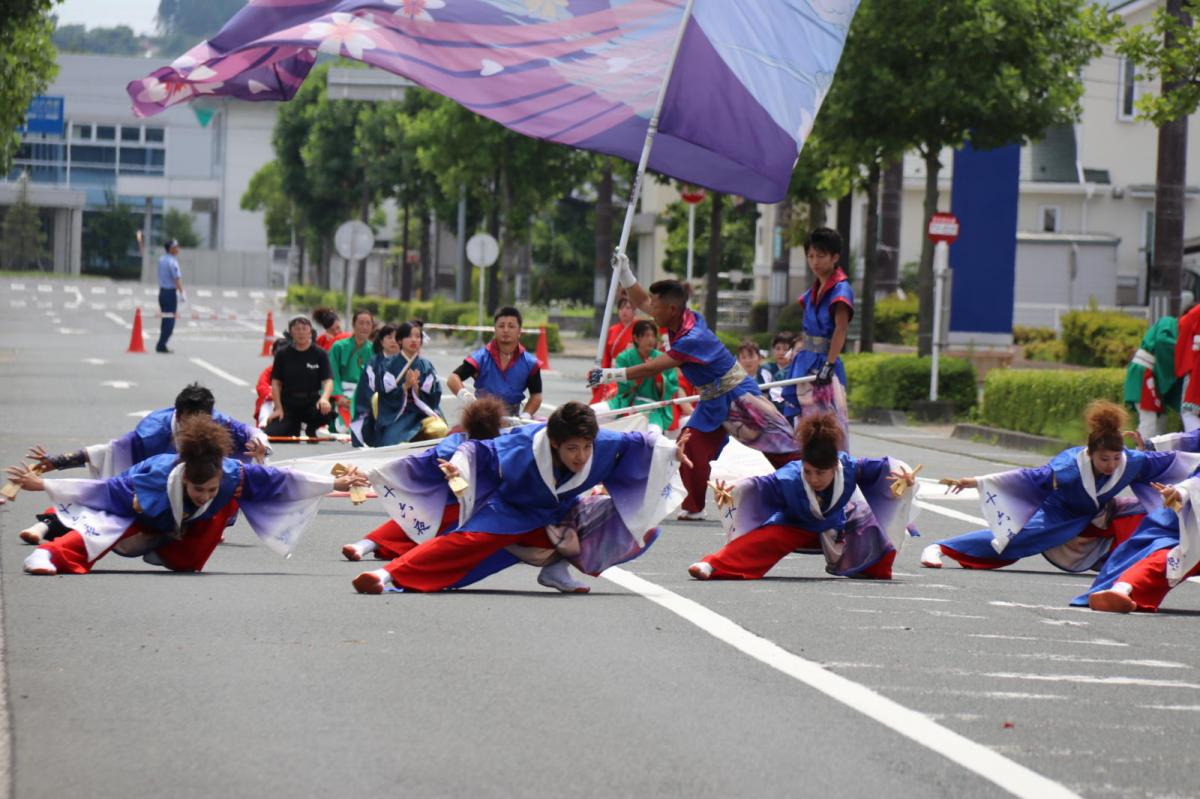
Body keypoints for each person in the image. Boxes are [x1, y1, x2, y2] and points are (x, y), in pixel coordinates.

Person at [351, 402, 690, 595]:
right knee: (464, 546)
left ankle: (555, 568)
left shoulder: (604, 443)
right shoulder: (520, 445)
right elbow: (473, 449)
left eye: (587, 446)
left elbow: (642, 442)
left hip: (559, 517)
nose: (582, 456)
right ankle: (390, 575)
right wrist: (458, 469)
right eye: (573, 448)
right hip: (510, 513)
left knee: (642, 527)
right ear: (555, 442)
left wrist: (672, 451)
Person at [6, 415, 368, 576]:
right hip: (146, 509)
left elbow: (283, 480)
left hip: (185, 533)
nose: (203, 494)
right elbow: (100, 490)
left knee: (189, 564)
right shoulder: (153, 475)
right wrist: (46, 484)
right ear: (184, 479)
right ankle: (48, 551)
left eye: (210, 487)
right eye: (198, 489)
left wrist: (332, 484)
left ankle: (170, 547)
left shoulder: (232, 474)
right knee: (107, 523)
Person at [588, 274, 797, 520]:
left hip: (738, 396)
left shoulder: (691, 337)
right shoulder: (678, 318)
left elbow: (651, 368)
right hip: (711, 400)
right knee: (691, 448)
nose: (649, 309)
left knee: (781, 447)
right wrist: (625, 273)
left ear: (671, 308)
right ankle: (695, 506)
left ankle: (813, 489)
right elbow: (643, 299)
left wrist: (607, 375)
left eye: (656, 306)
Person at [922, 401, 1200, 572]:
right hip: (1058, 514)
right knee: (1010, 540)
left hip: (1101, 515)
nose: (1111, 464)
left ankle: (1122, 565)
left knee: (1151, 516)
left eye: (1116, 458)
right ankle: (942, 547)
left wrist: (1180, 488)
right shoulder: (1069, 466)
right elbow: (1029, 477)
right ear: (1090, 453)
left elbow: (1169, 462)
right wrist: (974, 482)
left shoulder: (1132, 462)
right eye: (1104, 459)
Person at [17, 383, 271, 545]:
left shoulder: (219, 422)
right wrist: (58, 461)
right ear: (179, 415)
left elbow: (251, 432)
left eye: (206, 419)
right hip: (153, 488)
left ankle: (201, 522)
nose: (200, 427)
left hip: (198, 495)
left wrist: (260, 445)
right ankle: (47, 525)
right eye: (192, 420)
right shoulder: (152, 431)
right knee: (108, 513)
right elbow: (109, 452)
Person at [688, 413, 917, 581]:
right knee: (759, 542)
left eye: (821, 473)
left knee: (877, 538)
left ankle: (867, 567)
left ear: (834, 466)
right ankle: (712, 565)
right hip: (795, 526)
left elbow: (884, 468)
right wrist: (730, 493)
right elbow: (756, 487)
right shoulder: (789, 477)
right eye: (808, 471)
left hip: (837, 525)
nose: (814, 478)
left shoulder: (849, 467)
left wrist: (904, 478)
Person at [341, 396, 507, 562]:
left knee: (416, 518)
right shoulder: (501, 447)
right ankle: (365, 546)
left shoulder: (454, 442)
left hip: (439, 502)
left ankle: (363, 545)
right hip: (470, 510)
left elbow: (414, 463)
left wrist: (373, 474)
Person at [1071, 479, 1200, 613]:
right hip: (1180, 533)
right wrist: (1177, 492)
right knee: (1165, 561)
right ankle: (1122, 590)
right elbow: (1192, 485)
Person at [781, 228, 853, 439]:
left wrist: (829, 365)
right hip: (804, 361)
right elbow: (808, 330)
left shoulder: (841, 289)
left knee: (827, 424)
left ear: (835, 257)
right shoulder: (813, 289)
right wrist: (795, 349)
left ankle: (832, 468)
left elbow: (841, 329)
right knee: (803, 423)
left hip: (824, 364)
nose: (814, 262)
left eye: (821, 256)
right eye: (810, 256)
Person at [352, 322, 444, 447]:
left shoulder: (426, 365)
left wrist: (416, 389)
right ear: (400, 340)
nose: (414, 340)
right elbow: (384, 395)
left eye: (417, 336)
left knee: (440, 430)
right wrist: (405, 387)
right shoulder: (387, 365)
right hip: (397, 415)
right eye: (409, 336)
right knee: (393, 443)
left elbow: (435, 395)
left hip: (422, 413)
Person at [448, 306, 543, 418]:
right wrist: (467, 398)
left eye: (511, 326)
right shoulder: (481, 357)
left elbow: (536, 394)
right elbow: (453, 378)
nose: (506, 330)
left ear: (519, 331)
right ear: (495, 329)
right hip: (481, 417)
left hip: (514, 420)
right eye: (501, 326)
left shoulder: (530, 363)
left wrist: (525, 415)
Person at [264, 316, 334, 439]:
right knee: (271, 434)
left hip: (311, 401)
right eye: (297, 329)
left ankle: (311, 429)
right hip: (288, 403)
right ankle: (292, 426)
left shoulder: (320, 354)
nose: (301, 332)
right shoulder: (282, 354)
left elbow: (328, 380)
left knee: (327, 412)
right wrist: (278, 408)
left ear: (310, 331)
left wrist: (324, 398)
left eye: (304, 328)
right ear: (291, 332)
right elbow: (276, 383)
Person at [611, 320, 679, 433]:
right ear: (636, 338)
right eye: (647, 336)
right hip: (627, 402)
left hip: (653, 407)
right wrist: (643, 372)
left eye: (653, 336)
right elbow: (623, 388)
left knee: (653, 435)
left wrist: (657, 374)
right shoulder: (624, 357)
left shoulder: (664, 359)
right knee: (595, 413)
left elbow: (671, 389)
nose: (651, 340)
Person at [1124, 314, 1180, 439]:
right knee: (1149, 420)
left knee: (1160, 421)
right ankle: (1142, 455)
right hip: (1144, 373)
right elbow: (1162, 340)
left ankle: (1150, 454)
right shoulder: (1169, 321)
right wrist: (1182, 348)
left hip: (1151, 374)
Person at [328, 309, 375, 435]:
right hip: (343, 393)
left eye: (368, 323)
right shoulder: (339, 346)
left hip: (364, 394)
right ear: (353, 325)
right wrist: (338, 396)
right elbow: (331, 374)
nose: (365, 327)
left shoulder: (374, 350)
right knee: (342, 427)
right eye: (361, 323)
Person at [591, 297, 638, 403]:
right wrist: (600, 372)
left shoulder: (638, 329)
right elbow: (606, 356)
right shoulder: (612, 330)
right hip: (613, 368)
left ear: (634, 310)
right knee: (594, 376)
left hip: (628, 371)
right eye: (621, 308)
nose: (624, 311)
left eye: (628, 308)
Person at [156, 238, 184, 354]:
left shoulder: (161, 259)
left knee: (165, 319)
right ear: (171, 248)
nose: (178, 249)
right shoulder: (172, 262)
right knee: (170, 321)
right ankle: (161, 344)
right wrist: (182, 293)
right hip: (169, 293)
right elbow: (176, 278)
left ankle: (162, 344)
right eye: (176, 247)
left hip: (162, 292)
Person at [255, 338, 288, 427]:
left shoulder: (296, 370)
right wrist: (271, 394)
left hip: (291, 401)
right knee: (267, 400)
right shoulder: (269, 371)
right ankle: (263, 423)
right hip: (273, 401)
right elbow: (261, 385)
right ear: (273, 354)